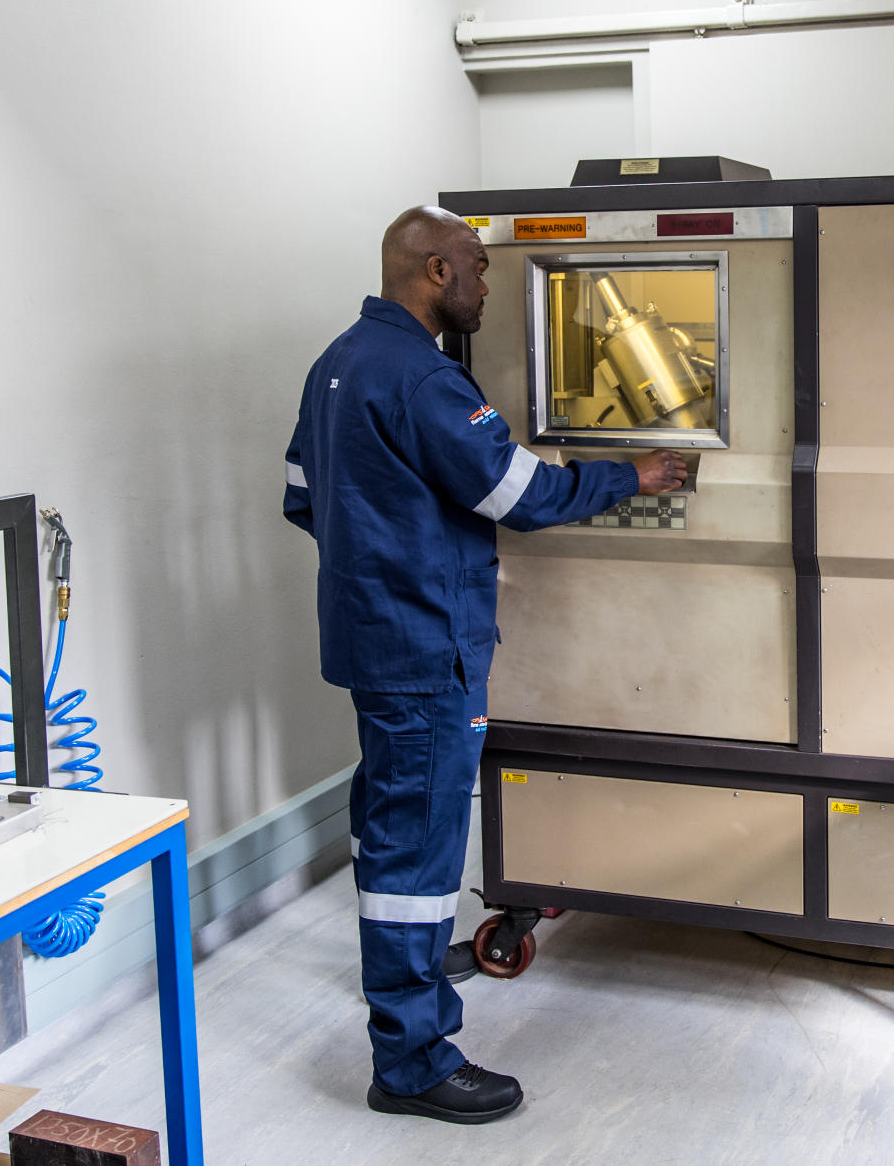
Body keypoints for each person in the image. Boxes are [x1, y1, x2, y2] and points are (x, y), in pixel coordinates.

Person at [283, 205, 686, 1125]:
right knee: (417, 850)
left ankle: (409, 978)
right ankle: (412, 1059)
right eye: (476, 264)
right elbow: (521, 493)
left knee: (390, 829)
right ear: (433, 270)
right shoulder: (423, 378)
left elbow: (305, 496)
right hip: (428, 644)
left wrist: (385, 554)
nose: (486, 281)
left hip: (371, 637)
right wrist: (631, 475)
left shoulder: (337, 363)